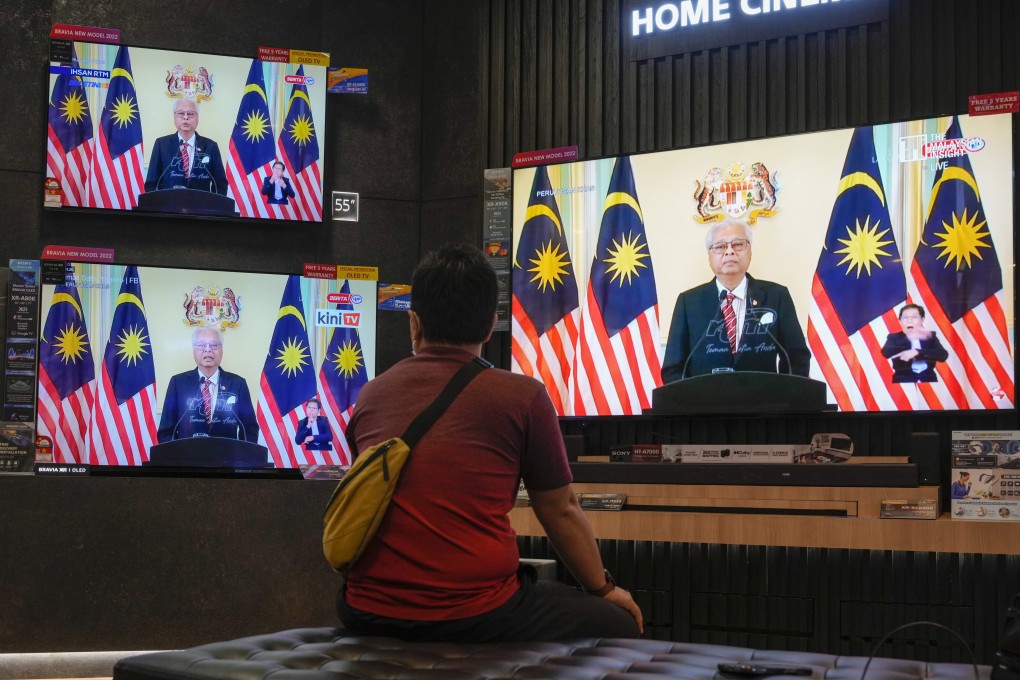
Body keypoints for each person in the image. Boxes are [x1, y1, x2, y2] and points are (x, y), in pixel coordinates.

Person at [337, 244, 643, 641]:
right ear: (490, 326)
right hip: (476, 612)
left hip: (363, 609)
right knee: (617, 623)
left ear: (413, 324)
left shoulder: (371, 394)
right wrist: (604, 590)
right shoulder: (524, 396)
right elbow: (561, 510)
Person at [661, 220, 811, 383]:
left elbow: (796, 359)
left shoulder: (777, 297)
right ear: (709, 256)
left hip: (764, 404)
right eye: (720, 246)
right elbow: (673, 369)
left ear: (750, 252)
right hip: (705, 405)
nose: (729, 251)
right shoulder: (688, 302)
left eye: (738, 244)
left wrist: (784, 401)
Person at [156, 328, 259, 443]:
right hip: (186, 458)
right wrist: (174, 459)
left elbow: (249, 430)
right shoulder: (177, 383)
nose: (208, 350)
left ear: (222, 350)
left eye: (214, 345)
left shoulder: (238, 384)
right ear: (193, 350)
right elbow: (166, 431)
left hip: (228, 458)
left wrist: (243, 459)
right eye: (201, 345)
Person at [144, 99, 228, 195]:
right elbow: (152, 183)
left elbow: (220, 184)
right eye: (181, 113)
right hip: (168, 207)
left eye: (191, 114)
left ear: (197, 118)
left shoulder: (211, 146)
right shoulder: (161, 144)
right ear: (174, 117)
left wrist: (214, 208)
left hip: (201, 207)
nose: (185, 117)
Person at [880, 304, 948, 383]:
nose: (909, 320)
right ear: (900, 321)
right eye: (905, 317)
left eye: (914, 317)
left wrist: (917, 352)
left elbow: (943, 355)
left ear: (922, 320)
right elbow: (886, 353)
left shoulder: (929, 336)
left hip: (928, 379)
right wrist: (907, 338)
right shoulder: (894, 337)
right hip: (903, 381)